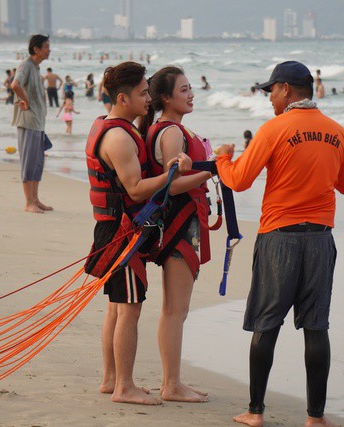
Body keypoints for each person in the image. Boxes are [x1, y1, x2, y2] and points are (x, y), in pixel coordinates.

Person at [214, 60, 344, 427]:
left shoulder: (274, 129)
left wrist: (222, 158)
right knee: (316, 327)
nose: (268, 97)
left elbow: (239, 180)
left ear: (287, 89)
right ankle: (316, 418)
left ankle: (255, 412)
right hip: (321, 239)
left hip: (279, 238)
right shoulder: (338, 132)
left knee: (267, 323)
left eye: (270, 90)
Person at [84, 61, 192, 406]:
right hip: (120, 233)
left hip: (112, 229)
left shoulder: (108, 126)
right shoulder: (117, 137)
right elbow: (135, 189)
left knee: (118, 308)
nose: (148, 99)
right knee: (129, 308)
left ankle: (111, 380)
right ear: (122, 97)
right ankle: (124, 387)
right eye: (143, 93)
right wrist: (172, 172)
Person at [138, 66, 213, 403]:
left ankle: (173, 381)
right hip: (180, 225)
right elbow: (172, 185)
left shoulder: (163, 128)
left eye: (190, 87)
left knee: (174, 308)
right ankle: (171, 384)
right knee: (175, 310)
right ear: (166, 98)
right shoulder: (171, 133)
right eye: (184, 89)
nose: (191, 93)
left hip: (181, 223)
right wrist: (213, 169)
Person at [10, 34, 53, 214]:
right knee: (29, 163)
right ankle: (28, 203)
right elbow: (15, 85)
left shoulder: (36, 68)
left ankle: (35, 199)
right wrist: (25, 101)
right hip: (28, 121)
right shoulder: (26, 65)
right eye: (46, 46)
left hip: (38, 122)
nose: (49, 50)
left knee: (37, 162)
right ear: (36, 49)